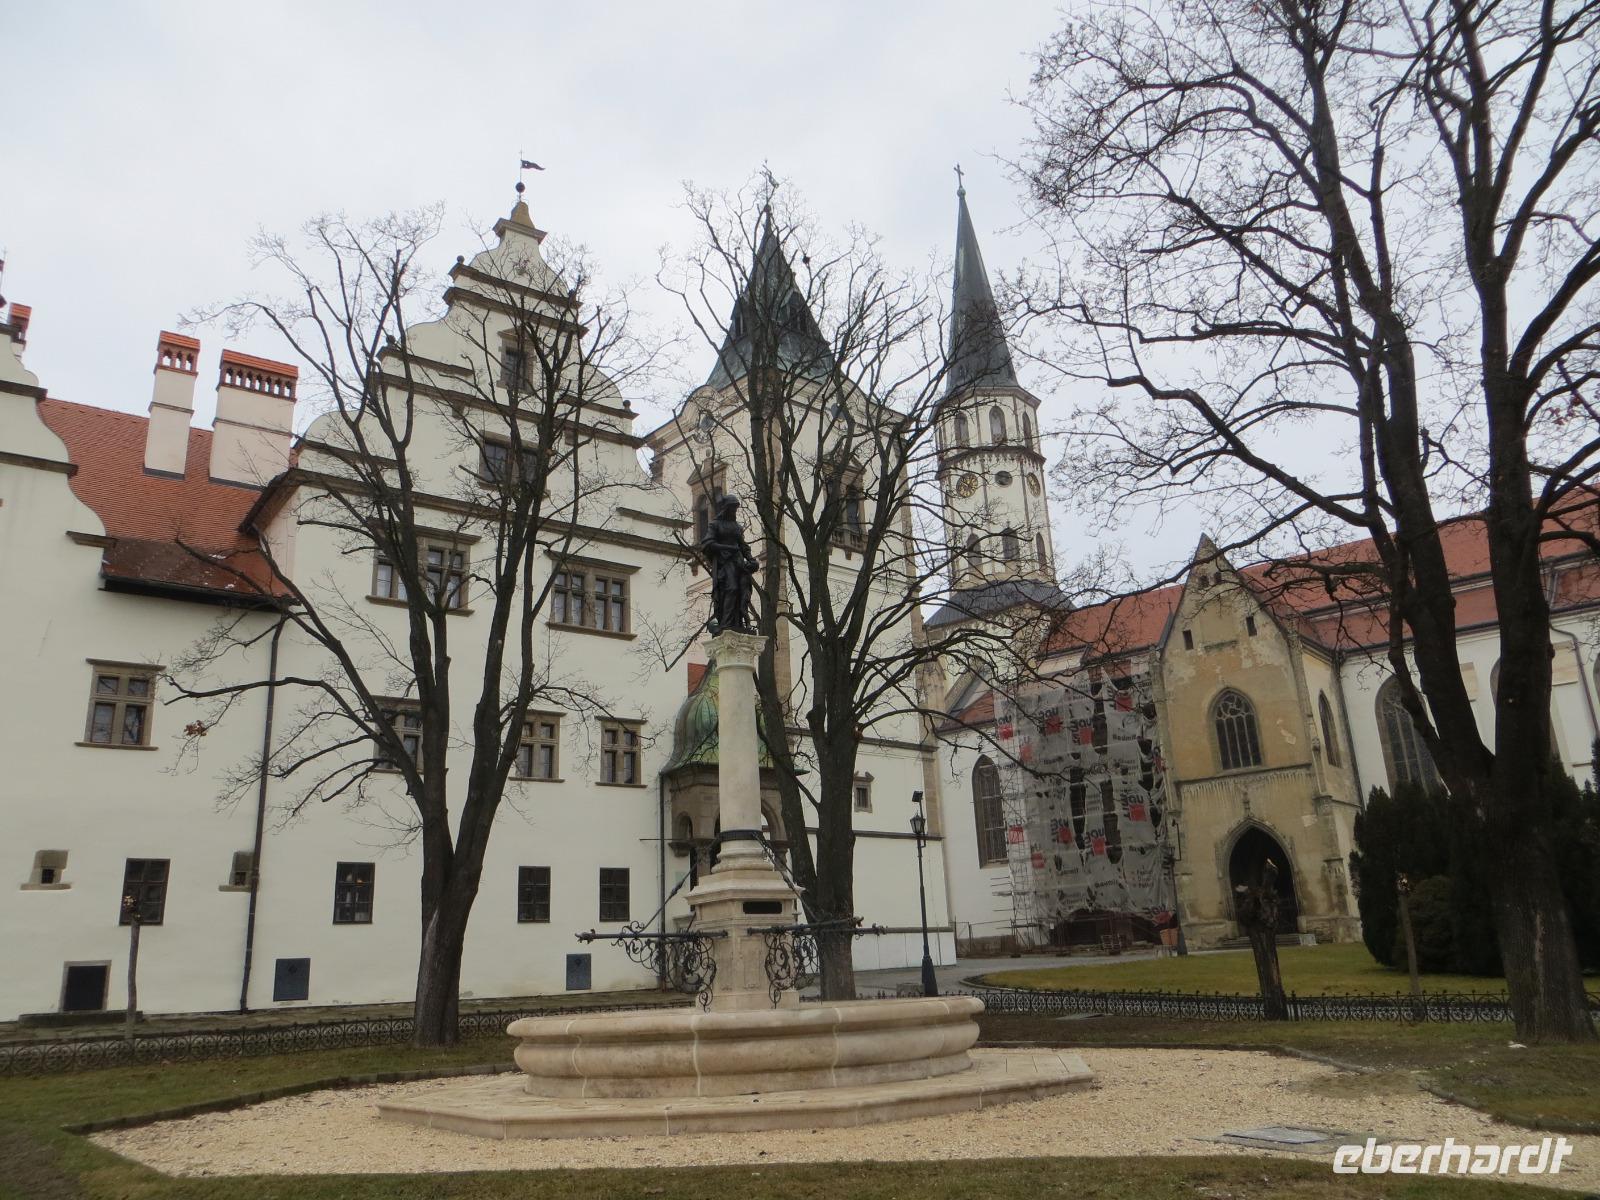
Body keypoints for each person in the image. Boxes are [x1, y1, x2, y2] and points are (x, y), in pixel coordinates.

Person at [699, 494, 757, 633]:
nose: (734, 512)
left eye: (735, 509)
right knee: (731, 589)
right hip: (725, 563)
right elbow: (707, 544)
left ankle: (739, 623)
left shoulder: (736, 526)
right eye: (732, 508)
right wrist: (728, 548)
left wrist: (751, 559)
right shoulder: (715, 524)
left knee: (742, 593)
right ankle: (726, 623)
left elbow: (743, 546)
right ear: (725, 509)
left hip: (738, 563)